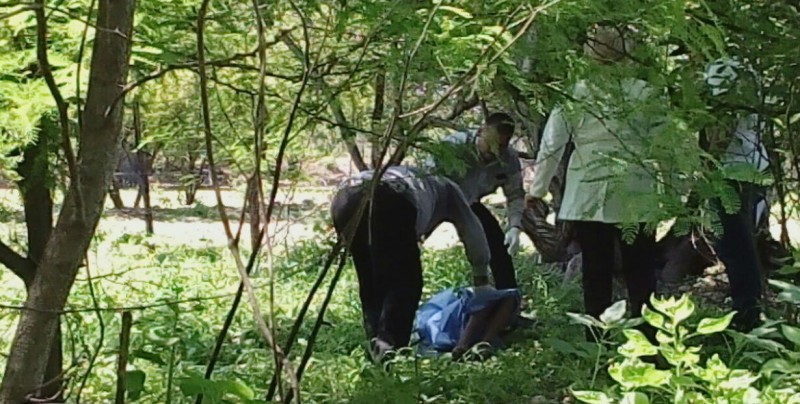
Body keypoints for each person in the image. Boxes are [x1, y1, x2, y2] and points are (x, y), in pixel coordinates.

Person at [526, 25, 664, 340]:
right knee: (641, 271)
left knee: (596, 272)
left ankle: (596, 342)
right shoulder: (647, 93)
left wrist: (537, 190)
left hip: (589, 195)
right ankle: (652, 342)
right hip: (637, 193)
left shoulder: (576, 94)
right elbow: (668, 149)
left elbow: (552, 146)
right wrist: (671, 193)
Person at [330, 165, 496, 361]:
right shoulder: (450, 188)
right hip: (390, 195)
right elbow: (471, 229)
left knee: (370, 278)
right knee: (407, 282)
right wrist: (481, 277)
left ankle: (375, 342)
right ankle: (389, 345)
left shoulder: (420, 177)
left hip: (344, 197)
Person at [703, 57, 771, 331]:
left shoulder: (723, 68)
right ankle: (748, 309)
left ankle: (747, 316)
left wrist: (709, 165)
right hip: (752, 166)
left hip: (732, 172)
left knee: (734, 248)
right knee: (740, 246)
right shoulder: (746, 67)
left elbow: (724, 121)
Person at [425, 112, 525, 290]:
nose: (494, 153)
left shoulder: (508, 159)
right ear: (481, 131)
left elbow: (515, 194)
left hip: (469, 203)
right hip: (437, 201)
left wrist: (515, 227)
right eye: (490, 145)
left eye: (500, 147)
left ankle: (508, 301)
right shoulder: (454, 146)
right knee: (412, 241)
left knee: (498, 246)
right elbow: (426, 178)